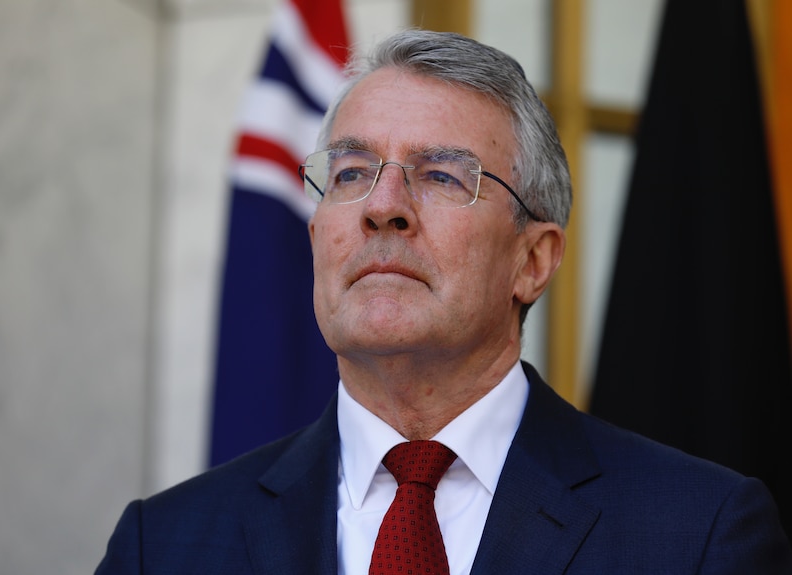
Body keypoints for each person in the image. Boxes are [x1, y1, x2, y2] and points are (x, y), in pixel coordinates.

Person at [95, 29, 792, 574]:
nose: (383, 208)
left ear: (533, 259)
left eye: (439, 175)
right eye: (352, 172)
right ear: (317, 234)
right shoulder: (165, 545)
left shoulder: (698, 533)